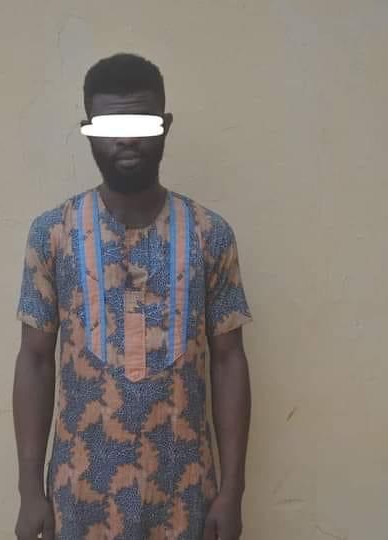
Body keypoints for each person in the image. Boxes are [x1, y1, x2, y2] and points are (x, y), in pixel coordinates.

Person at [13, 52, 253, 540]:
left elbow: (230, 360)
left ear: (165, 126)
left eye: (141, 123)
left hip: (187, 500)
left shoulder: (209, 234)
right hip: (79, 502)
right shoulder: (53, 234)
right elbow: (35, 360)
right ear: (88, 130)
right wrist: (29, 492)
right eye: (110, 126)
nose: (126, 140)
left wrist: (232, 492)